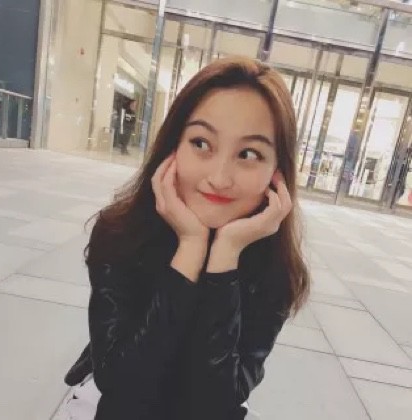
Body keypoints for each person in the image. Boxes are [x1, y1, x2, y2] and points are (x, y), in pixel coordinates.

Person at [64, 57, 310, 420]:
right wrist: (190, 250)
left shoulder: (274, 267)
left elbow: (216, 404)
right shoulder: (123, 234)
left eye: (248, 154)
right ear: (173, 147)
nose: (219, 178)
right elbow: (122, 385)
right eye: (201, 143)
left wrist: (225, 259)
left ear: (277, 173)